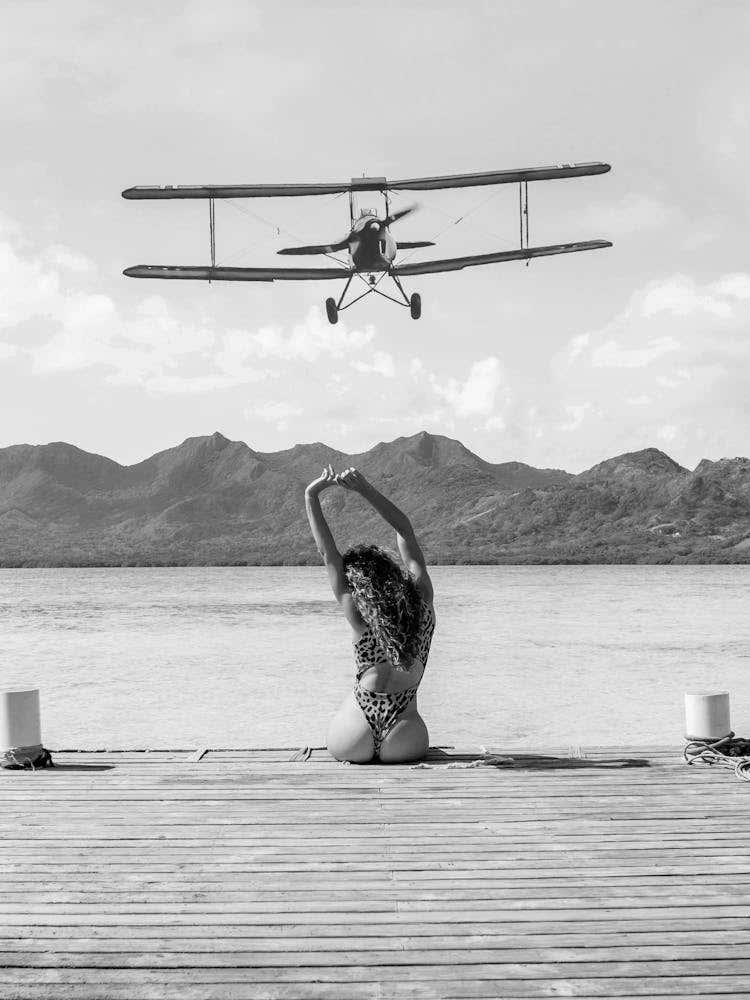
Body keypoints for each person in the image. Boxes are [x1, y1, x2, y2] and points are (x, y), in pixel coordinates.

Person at [304, 464, 436, 764]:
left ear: (357, 581)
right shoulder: (422, 600)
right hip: (405, 734)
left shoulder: (356, 610)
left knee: (347, 705)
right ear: (392, 573)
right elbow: (404, 528)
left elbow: (328, 555)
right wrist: (365, 489)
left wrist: (311, 495)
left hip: (355, 732)